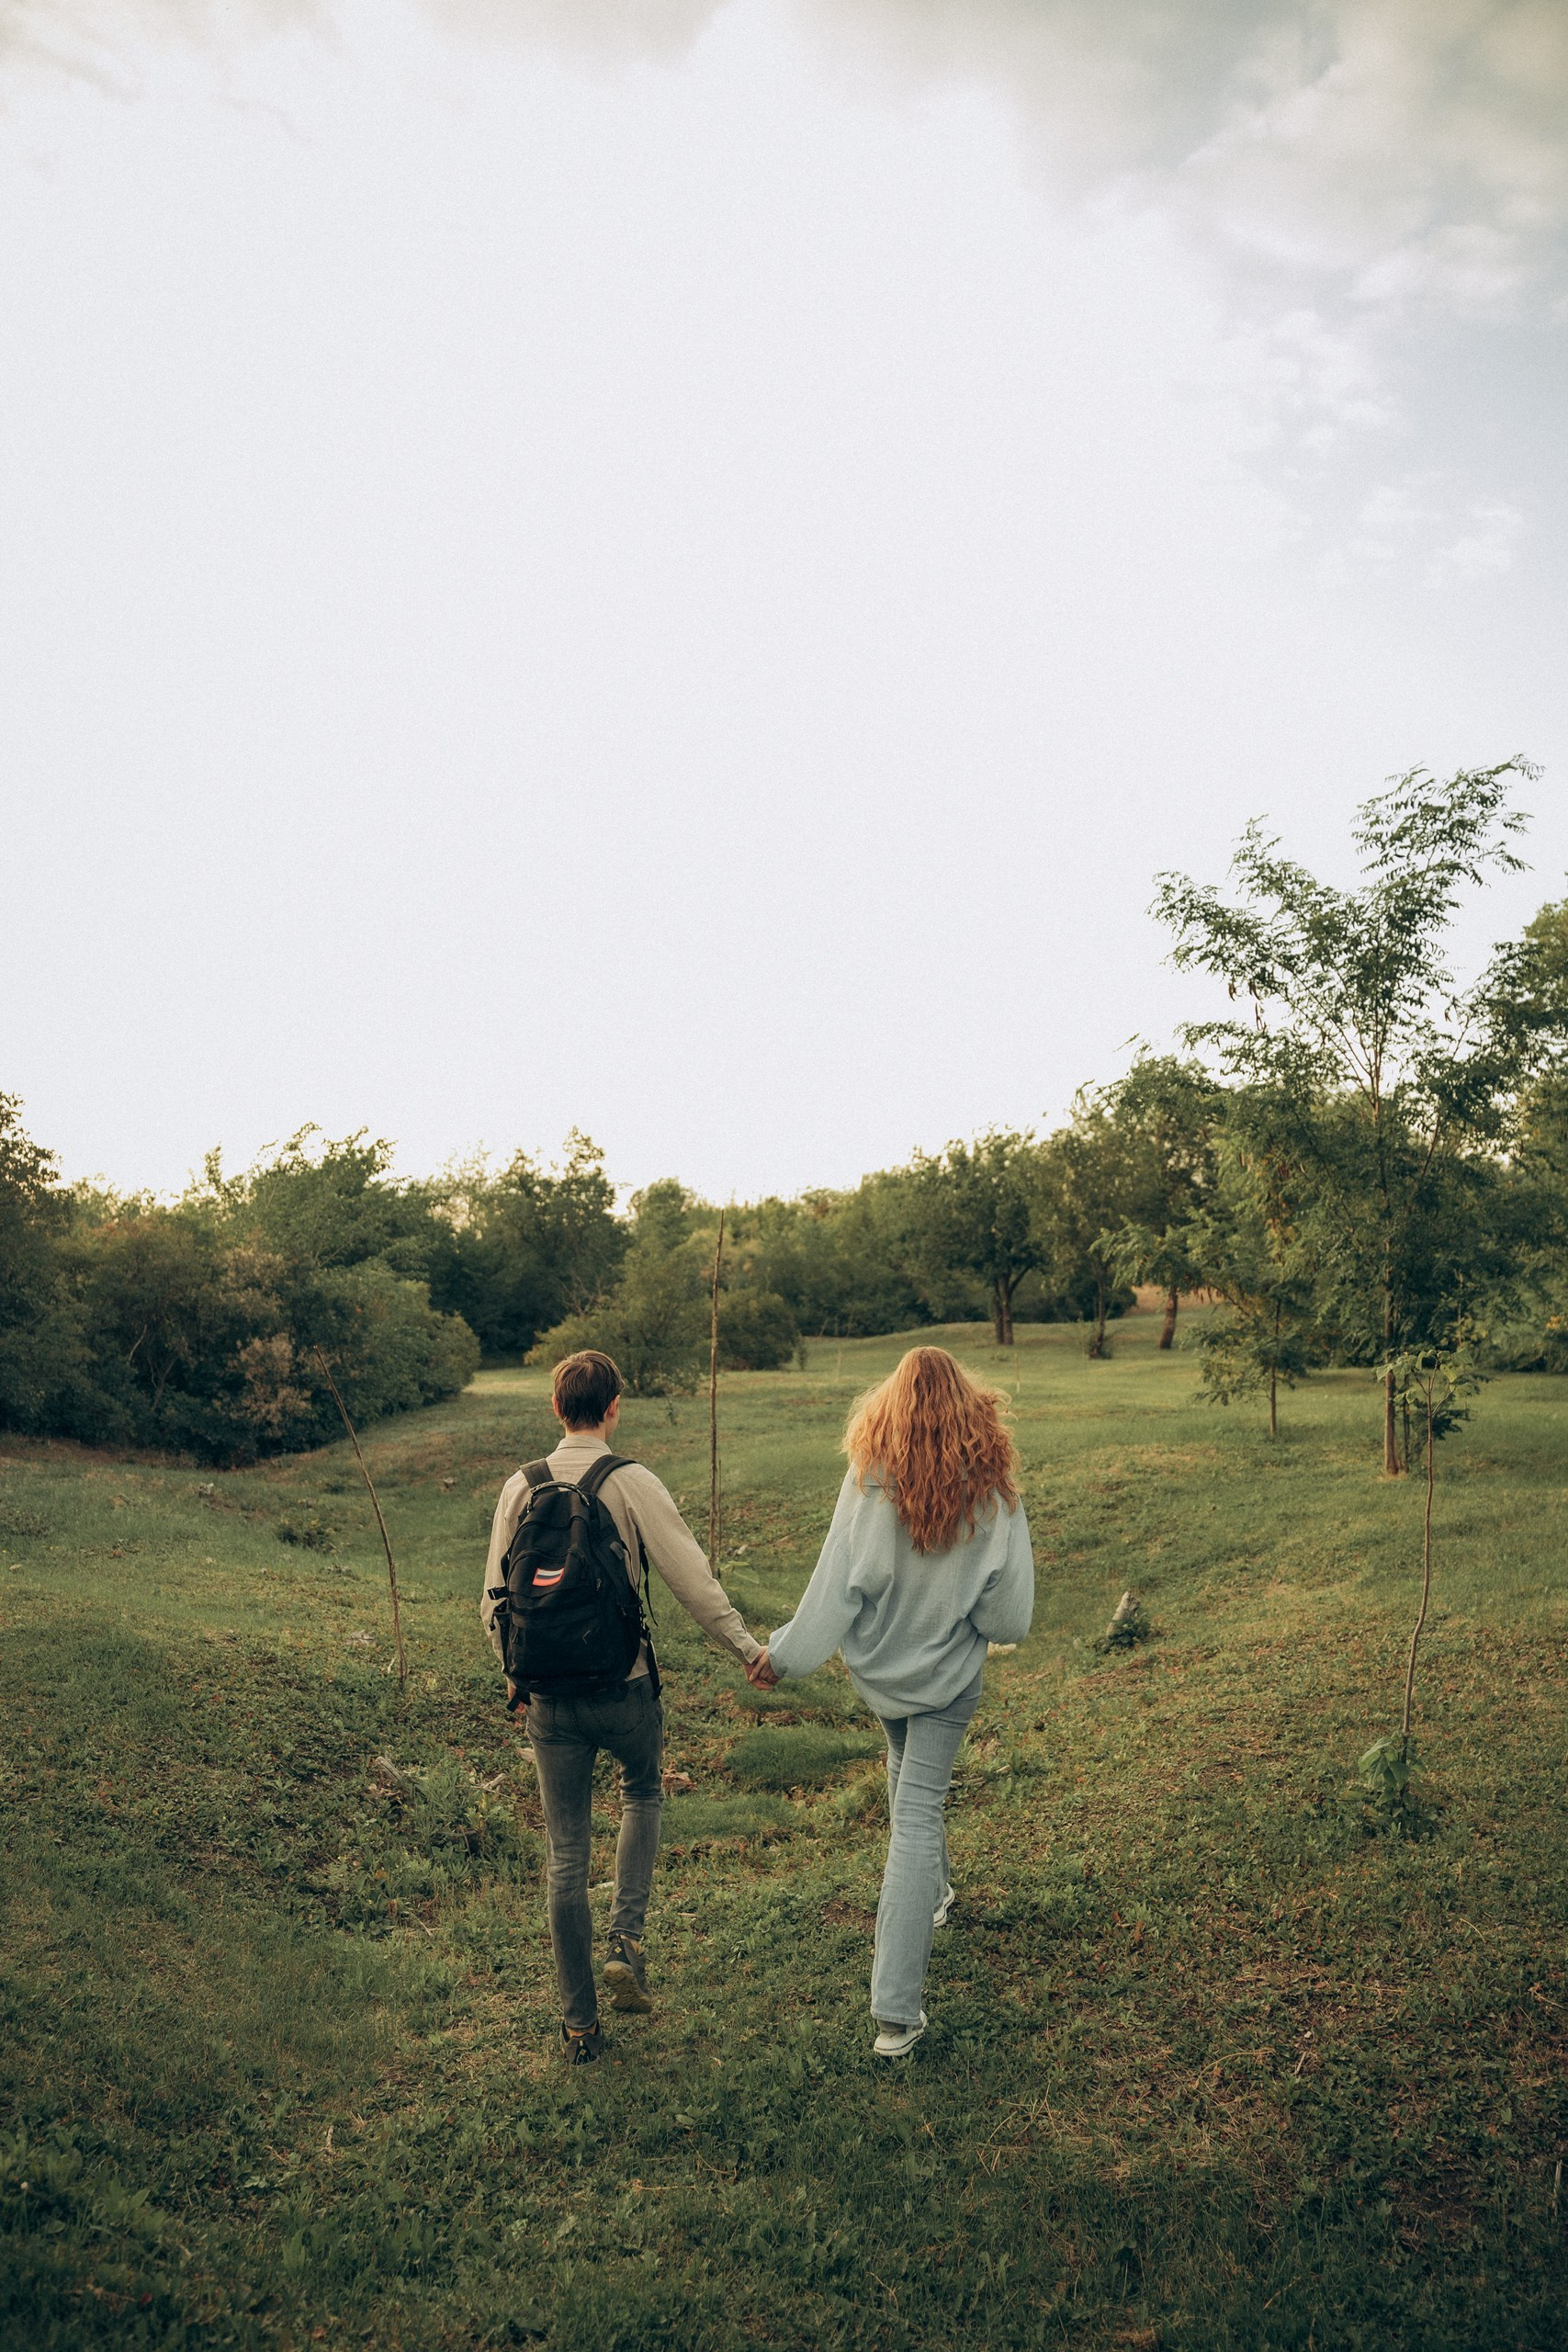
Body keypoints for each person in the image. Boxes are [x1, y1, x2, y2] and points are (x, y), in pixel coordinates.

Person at [481, 1349, 765, 2065]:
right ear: (613, 1408)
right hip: (624, 1688)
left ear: (555, 1409)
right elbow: (691, 1581)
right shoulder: (630, 1481)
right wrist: (745, 1649)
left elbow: (493, 1602)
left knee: (565, 1856)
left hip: (548, 1699)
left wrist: (516, 1676)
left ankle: (579, 2026)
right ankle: (625, 1940)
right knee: (642, 1791)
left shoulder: (520, 1487)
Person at [750, 1346, 1033, 2058]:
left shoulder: (868, 1480)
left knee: (903, 1775)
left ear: (890, 1406)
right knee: (916, 1811)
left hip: (880, 1674)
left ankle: (933, 1901)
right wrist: (959, 1609)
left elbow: (834, 1587)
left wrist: (781, 1657)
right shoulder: (994, 1490)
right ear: (973, 1408)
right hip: (948, 1682)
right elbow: (1009, 1621)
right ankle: (895, 2014)